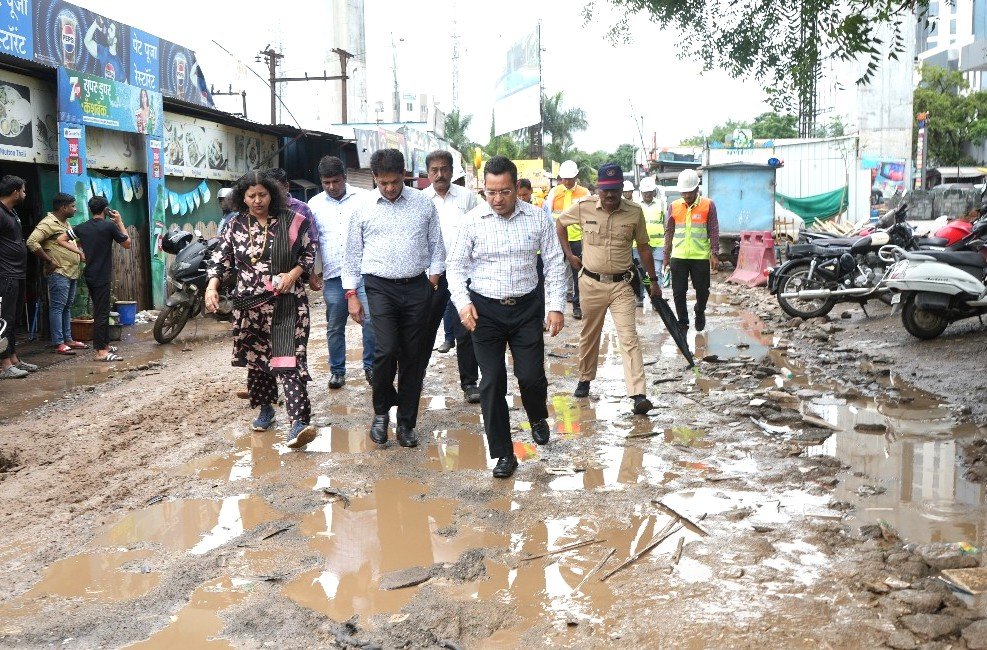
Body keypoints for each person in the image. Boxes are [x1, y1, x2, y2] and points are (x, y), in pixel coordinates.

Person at [447, 156, 567, 478]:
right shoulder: (472, 222)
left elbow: (554, 263)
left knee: (530, 377)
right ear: (483, 189)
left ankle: (537, 416)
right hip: (484, 313)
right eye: (491, 192)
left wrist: (555, 305)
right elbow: (454, 268)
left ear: (516, 188)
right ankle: (503, 453)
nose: (497, 199)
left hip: (527, 309)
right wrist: (463, 304)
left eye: (504, 192)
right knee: (492, 382)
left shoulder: (537, 218)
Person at [205, 170, 317, 449]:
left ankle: (298, 422)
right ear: (242, 197)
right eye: (251, 195)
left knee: (288, 359)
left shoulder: (292, 221)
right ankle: (265, 408)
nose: (257, 200)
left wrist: (293, 274)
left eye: (262, 194)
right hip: (249, 306)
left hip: (287, 304)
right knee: (258, 360)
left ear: (272, 194)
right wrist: (212, 287)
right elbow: (221, 260)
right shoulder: (234, 225)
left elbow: (309, 253)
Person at [343, 148, 444, 449]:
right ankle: (381, 413)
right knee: (386, 350)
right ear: (375, 177)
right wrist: (351, 294)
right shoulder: (362, 208)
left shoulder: (423, 204)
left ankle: (407, 423)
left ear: (404, 175)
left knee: (413, 357)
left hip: (417, 287)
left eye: (394, 182)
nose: (389, 188)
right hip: (379, 287)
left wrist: (433, 280)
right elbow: (352, 254)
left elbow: (436, 245)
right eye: (383, 182)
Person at [556, 163, 659, 416]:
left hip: (622, 285)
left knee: (629, 337)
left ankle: (638, 394)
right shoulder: (584, 206)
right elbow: (560, 223)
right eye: (605, 190)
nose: (610, 195)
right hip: (591, 284)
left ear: (622, 188)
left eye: (614, 189)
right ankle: (584, 378)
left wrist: (653, 281)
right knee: (589, 335)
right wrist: (569, 254)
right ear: (597, 189)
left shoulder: (634, 212)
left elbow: (644, 247)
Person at [308, 155, 375, 390]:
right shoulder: (314, 205)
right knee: (335, 326)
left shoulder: (364, 199)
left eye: (335, 181)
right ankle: (337, 371)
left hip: (363, 273)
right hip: (334, 275)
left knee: (370, 321)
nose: (331, 187)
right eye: (326, 182)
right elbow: (312, 241)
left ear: (345, 177)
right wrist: (312, 272)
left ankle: (371, 367)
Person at [422, 150, 480, 402]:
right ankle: (416, 376)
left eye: (444, 169)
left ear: (452, 170)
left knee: (466, 328)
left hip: (463, 273)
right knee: (423, 328)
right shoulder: (420, 200)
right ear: (428, 173)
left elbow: (480, 229)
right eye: (434, 170)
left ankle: (470, 384)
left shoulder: (467, 198)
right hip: (430, 276)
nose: (440, 174)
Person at [27, 192, 90, 355]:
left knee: (66, 307)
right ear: (63, 207)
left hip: (71, 271)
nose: (75, 209)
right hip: (59, 272)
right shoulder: (48, 223)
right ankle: (59, 342)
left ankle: (68, 340)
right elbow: (32, 242)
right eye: (73, 206)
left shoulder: (65, 223)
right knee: (57, 307)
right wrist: (49, 260)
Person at [75, 196, 131, 362]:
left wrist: (79, 252)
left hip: (90, 274)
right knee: (101, 313)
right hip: (102, 275)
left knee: (101, 310)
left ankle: (104, 345)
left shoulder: (82, 227)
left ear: (90, 209)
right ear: (105, 209)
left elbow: (61, 239)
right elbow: (127, 243)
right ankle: (101, 352)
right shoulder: (109, 226)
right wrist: (119, 222)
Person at [663, 169, 719, 332]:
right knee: (678, 292)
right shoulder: (674, 206)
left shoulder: (708, 205)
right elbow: (669, 231)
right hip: (678, 256)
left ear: (697, 189)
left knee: (703, 291)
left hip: (700, 256)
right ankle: (683, 322)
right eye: (684, 192)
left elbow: (713, 229)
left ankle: (699, 310)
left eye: (690, 192)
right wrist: (666, 255)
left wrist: (714, 253)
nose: (686, 195)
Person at [0, 175, 37, 379]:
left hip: (17, 273)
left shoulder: (12, 212)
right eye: (23, 190)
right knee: (4, 320)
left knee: (13, 319)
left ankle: (14, 359)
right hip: (5, 275)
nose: (25, 194)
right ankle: (4, 365)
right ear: (15, 192)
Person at [544, 160, 589, 319]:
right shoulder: (554, 192)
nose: (567, 181)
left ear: (576, 176)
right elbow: (547, 216)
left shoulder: (584, 193)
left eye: (570, 178)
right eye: (564, 178)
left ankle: (578, 306)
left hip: (577, 239)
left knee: (579, 274)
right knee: (555, 273)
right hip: (557, 239)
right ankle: (553, 308)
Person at [265, 168, 322, 291]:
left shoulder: (301, 209)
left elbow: (312, 243)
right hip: (264, 274)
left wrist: (309, 273)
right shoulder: (262, 209)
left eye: (276, 190)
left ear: (286, 186)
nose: (272, 195)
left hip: (294, 274)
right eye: (269, 191)